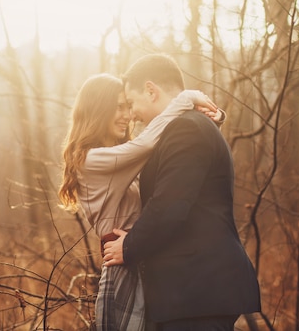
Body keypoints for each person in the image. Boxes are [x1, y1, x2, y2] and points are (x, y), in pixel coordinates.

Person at [103, 54, 261, 330]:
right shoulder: (183, 128)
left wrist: (128, 247)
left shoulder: (187, 129)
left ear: (151, 91)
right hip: (191, 292)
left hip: (199, 291)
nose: (131, 114)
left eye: (131, 103)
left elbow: (169, 206)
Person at [58, 73, 222, 331]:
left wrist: (210, 119)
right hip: (125, 267)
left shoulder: (120, 159)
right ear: (98, 110)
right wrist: (185, 99)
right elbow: (147, 143)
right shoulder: (91, 160)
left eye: (128, 106)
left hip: (141, 258)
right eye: (119, 107)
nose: (128, 115)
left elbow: (175, 156)